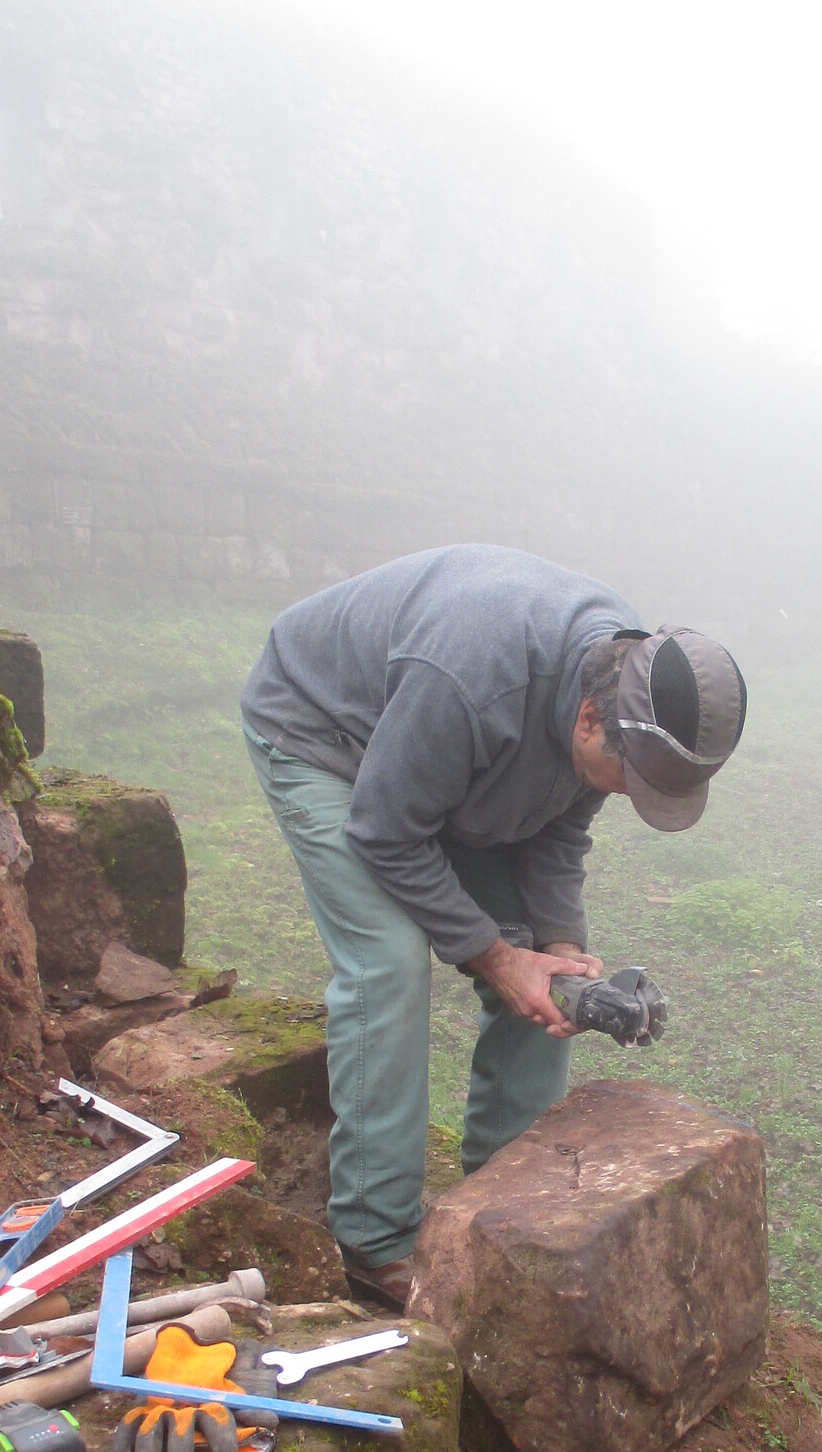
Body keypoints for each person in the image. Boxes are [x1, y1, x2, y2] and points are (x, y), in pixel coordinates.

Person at [241, 543, 747, 1308]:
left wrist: (559, 949)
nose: (626, 796)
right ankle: (374, 1244)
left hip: (447, 758)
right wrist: (495, 956)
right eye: (632, 779)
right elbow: (386, 831)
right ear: (588, 719)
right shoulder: (472, 681)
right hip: (327, 734)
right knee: (389, 964)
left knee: (552, 974)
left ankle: (502, 1207)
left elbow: (559, 827)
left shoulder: (628, 682)